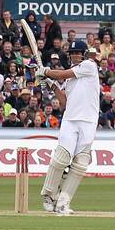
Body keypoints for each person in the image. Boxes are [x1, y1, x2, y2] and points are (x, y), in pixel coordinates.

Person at [38, 40, 100, 215]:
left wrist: (46, 72)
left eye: (78, 53)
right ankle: (49, 196)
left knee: (81, 163)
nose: (75, 56)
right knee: (62, 158)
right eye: (73, 53)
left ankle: (63, 203)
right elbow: (65, 101)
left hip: (88, 121)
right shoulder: (71, 79)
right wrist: (51, 85)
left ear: (84, 54)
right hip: (71, 120)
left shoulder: (89, 65)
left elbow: (61, 74)